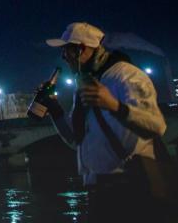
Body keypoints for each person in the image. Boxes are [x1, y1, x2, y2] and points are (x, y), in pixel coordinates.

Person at [42, 22, 170, 222]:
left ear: (81, 49)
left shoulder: (126, 75)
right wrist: (54, 110)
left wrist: (114, 105)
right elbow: (78, 141)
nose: (63, 57)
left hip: (132, 188)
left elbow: (156, 126)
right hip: (99, 190)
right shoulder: (86, 84)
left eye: (66, 50)